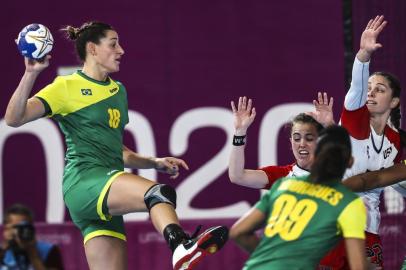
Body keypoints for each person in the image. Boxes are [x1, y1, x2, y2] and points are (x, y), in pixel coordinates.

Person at [4, 21, 228, 270]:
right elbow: (14, 118)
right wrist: (31, 73)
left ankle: (181, 250)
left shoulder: (117, 91)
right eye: (113, 44)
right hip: (85, 181)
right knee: (158, 194)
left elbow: (118, 151)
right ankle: (180, 246)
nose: (121, 50)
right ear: (92, 49)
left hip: (104, 190)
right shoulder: (65, 87)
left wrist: (154, 163)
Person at [320, 15, 406, 269]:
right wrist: (363, 55)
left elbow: (392, 180)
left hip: (369, 227)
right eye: (370, 88)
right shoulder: (356, 122)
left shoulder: (395, 141)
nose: (371, 93)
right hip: (335, 224)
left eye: (379, 89)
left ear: (394, 102)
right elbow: (356, 87)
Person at [229, 125, 367, 270]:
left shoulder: (284, 185)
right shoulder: (350, 203)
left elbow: (238, 232)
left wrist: (274, 259)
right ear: (350, 161)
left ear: (314, 156)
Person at [228, 94, 332, 189]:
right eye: (296, 138)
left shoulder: (337, 172)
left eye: (309, 138)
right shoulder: (283, 176)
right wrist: (240, 132)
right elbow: (237, 176)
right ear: (291, 142)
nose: (302, 144)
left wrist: (330, 125)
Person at [0, 204, 64, 270]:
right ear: (6, 229)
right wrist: (4, 247)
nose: (20, 231)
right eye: (16, 227)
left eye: (24, 227)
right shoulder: (2, 251)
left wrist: (33, 254)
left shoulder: (49, 250)